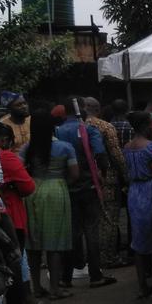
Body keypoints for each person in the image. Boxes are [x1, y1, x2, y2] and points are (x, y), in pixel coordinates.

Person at [55, 97, 116, 288]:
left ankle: (66, 277)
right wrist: (102, 175)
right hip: (89, 185)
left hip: (67, 187)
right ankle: (95, 275)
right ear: (81, 109)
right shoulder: (89, 130)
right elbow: (100, 155)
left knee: (72, 232)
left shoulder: (57, 131)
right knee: (91, 230)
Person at [22, 110, 79, 301]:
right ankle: (55, 288)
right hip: (56, 191)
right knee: (54, 244)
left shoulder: (28, 148)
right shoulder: (65, 147)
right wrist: (62, 183)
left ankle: (36, 288)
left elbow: (20, 171)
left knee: (34, 245)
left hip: (32, 191)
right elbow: (74, 174)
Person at [0, 119, 43, 304]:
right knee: (14, 259)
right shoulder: (0, 156)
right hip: (7, 214)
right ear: (4, 140)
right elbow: (28, 186)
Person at [124, 111, 152, 300]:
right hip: (151, 191)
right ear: (146, 125)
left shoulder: (127, 146)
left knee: (138, 241)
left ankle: (143, 286)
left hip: (134, 192)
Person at [84, 97, 129, 269]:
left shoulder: (75, 127)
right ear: (99, 108)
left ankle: (91, 259)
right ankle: (108, 257)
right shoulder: (104, 126)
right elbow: (116, 155)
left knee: (89, 222)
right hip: (107, 179)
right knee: (109, 219)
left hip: (83, 179)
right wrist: (127, 177)